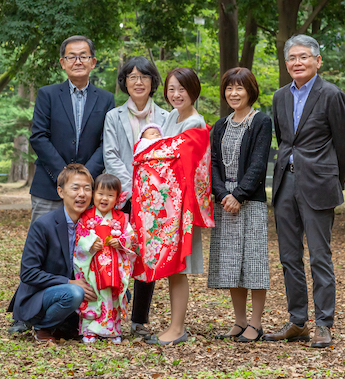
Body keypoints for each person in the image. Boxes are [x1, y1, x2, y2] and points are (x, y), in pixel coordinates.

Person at [9, 36, 114, 334]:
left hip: (87, 187)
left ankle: (77, 312)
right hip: (49, 185)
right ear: (62, 63)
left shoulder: (105, 99)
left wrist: (84, 179)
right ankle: (24, 314)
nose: (78, 61)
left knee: (84, 249)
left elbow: (106, 143)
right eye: (72, 56)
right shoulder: (47, 94)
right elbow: (38, 136)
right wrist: (64, 176)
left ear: (93, 61)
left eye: (84, 56)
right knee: (39, 252)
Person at [264, 34, 345, 348]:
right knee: (289, 257)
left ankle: (324, 324)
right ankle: (297, 321)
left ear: (318, 60)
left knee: (319, 257)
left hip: (319, 184)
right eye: (292, 57)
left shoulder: (332, 95)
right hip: (285, 183)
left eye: (304, 57)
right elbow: (284, 139)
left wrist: (333, 180)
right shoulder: (279, 97)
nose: (297, 62)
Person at [142, 67, 209, 345]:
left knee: (178, 267)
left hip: (183, 206)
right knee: (171, 267)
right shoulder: (170, 117)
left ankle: (178, 327)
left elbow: (170, 157)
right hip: (168, 205)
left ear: (193, 90)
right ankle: (174, 325)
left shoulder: (194, 123)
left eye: (182, 89)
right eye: (171, 89)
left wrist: (151, 146)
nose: (176, 94)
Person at [102, 56, 169, 339]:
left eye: (144, 76)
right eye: (131, 77)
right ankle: (111, 316)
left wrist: (152, 188)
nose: (138, 81)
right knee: (117, 252)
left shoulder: (168, 117)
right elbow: (110, 155)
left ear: (153, 82)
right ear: (124, 83)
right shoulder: (113, 116)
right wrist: (134, 184)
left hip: (156, 199)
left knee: (146, 256)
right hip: (125, 195)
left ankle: (139, 319)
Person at [208, 67, 272, 343]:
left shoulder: (261, 121)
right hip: (225, 203)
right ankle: (239, 321)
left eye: (240, 88)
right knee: (233, 263)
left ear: (250, 91)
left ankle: (255, 325)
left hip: (251, 202)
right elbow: (212, 164)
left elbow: (258, 164)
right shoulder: (220, 125)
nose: (234, 93)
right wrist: (223, 194)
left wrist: (240, 194)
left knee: (254, 263)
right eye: (229, 88)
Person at [8, 164, 98, 343]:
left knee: (120, 293)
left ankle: (72, 326)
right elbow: (28, 273)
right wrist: (70, 282)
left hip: (73, 291)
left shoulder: (94, 225)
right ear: (61, 191)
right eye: (75, 188)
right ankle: (43, 327)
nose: (82, 194)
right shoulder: (44, 225)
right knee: (73, 293)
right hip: (43, 295)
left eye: (87, 189)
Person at [73, 174, 136, 344]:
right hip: (92, 264)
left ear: (117, 198)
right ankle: (89, 330)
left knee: (111, 296)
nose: (104, 198)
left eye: (110, 195)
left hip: (113, 265)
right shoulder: (86, 217)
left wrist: (121, 241)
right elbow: (79, 236)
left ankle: (111, 330)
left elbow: (130, 237)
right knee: (92, 294)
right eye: (100, 193)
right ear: (93, 194)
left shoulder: (121, 218)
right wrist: (89, 244)